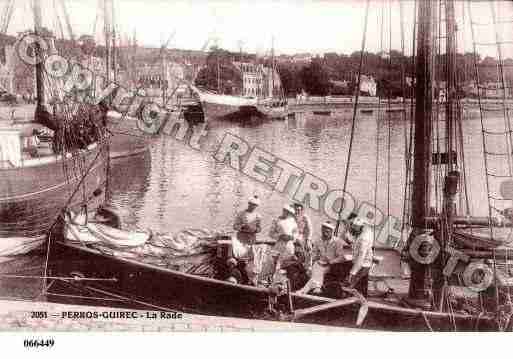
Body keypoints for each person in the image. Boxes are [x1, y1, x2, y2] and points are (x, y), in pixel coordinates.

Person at [296, 221, 346, 295]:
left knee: (318, 271)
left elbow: (342, 257)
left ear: (332, 232)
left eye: (327, 232)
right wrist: (309, 263)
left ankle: (305, 290)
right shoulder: (318, 240)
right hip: (320, 263)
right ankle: (316, 288)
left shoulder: (338, 242)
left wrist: (331, 261)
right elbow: (313, 254)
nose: (325, 233)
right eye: (323, 231)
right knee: (316, 268)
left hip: (332, 265)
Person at [231, 195, 262, 284]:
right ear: (248, 204)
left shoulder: (258, 216)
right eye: (251, 204)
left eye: (254, 205)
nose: (252, 206)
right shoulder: (241, 213)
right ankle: (237, 276)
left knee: (250, 259)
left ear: (257, 206)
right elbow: (235, 226)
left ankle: (247, 278)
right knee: (239, 257)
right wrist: (242, 227)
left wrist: (255, 230)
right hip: (241, 238)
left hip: (251, 239)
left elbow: (259, 228)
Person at [344, 217, 374, 297]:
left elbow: (360, 258)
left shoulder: (363, 239)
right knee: (359, 287)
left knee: (351, 286)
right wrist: (347, 229)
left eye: (354, 229)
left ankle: (356, 301)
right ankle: (361, 297)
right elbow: (352, 240)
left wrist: (352, 273)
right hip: (361, 264)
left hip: (362, 265)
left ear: (360, 228)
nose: (352, 230)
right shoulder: (362, 232)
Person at [293, 202, 313, 271]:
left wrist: (308, 239)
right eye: (296, 209)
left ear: (301, 210)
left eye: (299, 210)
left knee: (308, 248)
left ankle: (308, 266)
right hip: (293, 236)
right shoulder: (291, 216)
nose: (297, 211)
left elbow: (310, 229)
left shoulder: (305, 217)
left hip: (302, 236)